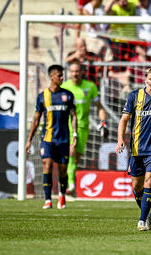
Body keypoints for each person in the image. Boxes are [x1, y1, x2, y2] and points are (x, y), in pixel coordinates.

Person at [115, 67, 151, 231]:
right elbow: (124, 119)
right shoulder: (134, 96)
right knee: (136, 186)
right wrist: (120, 140)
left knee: (149, 179)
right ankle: (147, 214)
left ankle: (142, 221)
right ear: (146, 79)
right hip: (137, 148)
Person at [25, 65, 77, 209]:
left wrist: (75, 133)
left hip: (63, 139)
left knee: (62, 169)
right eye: (59, 75)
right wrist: (29, 140)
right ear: (52, 77)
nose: (62, 78)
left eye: (62, 75)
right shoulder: (43, 97)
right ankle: (48, 199)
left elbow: (74, 116)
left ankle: (62, 195)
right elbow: (36, 119)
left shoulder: (68, 95)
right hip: (47, 139)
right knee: (47, 164)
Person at [61, 61, 108, 198]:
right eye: (72, 71)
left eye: (77, 71)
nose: (75, 74)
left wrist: (103, 122)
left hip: (83, 127)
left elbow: (99, 106)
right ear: (69, 72)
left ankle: (71, 185)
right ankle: (70, 185)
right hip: (67, 126)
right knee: (71, 152)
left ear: (82, 72)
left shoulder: (90, 87)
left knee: (75, 158)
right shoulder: (64, 87)